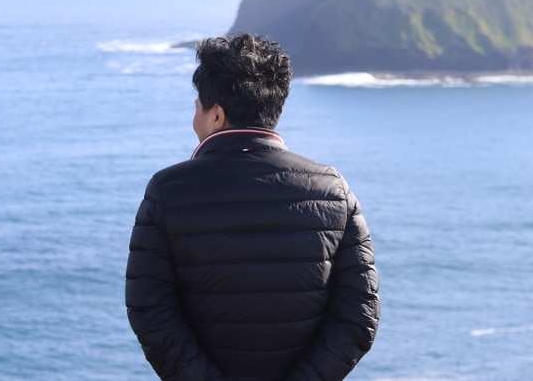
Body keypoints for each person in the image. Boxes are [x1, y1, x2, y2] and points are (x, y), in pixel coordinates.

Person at [125, 33, 380, 381]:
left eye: (197, 107)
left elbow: (150, 311)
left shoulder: (168, 191)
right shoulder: (332, 189)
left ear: (216, 115)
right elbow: (359, 315)